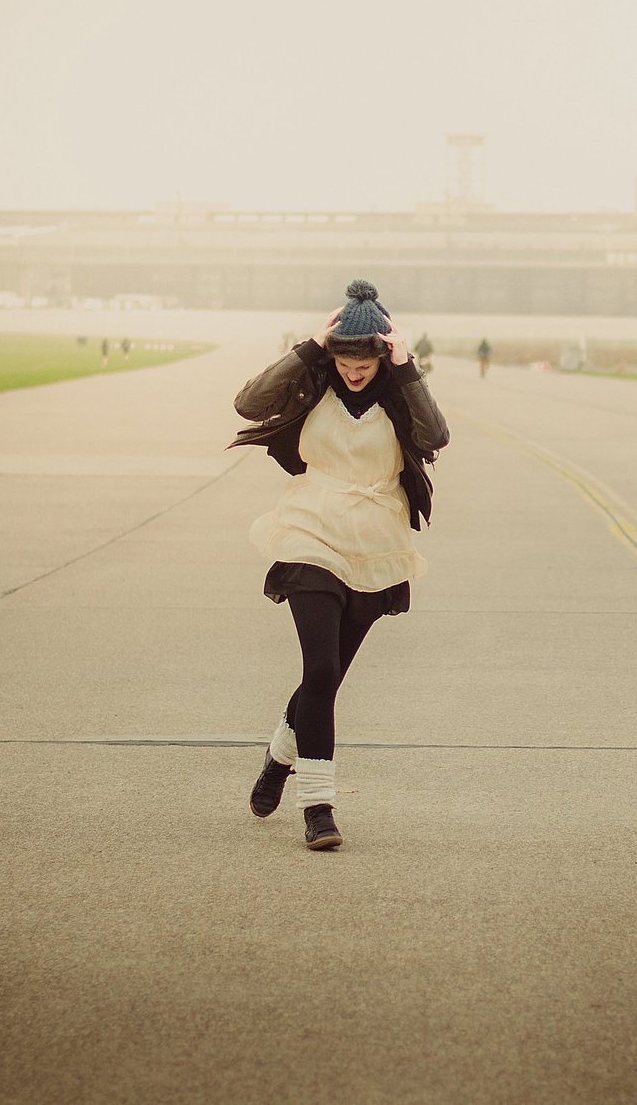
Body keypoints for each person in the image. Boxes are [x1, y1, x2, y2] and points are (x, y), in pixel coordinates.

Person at [230, 279, 449, 850]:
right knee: (322, 668)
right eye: (344, 361)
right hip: (311, 526)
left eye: (364, 363)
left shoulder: (398, 387)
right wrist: (309, 348)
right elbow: (248, 403)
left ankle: (280, 758)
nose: (353, 372)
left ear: (382, 355)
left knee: (323, 679)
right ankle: (318, 807)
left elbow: (436, 436)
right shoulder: (314, 377)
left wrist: (406, 368)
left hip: (376, 539)